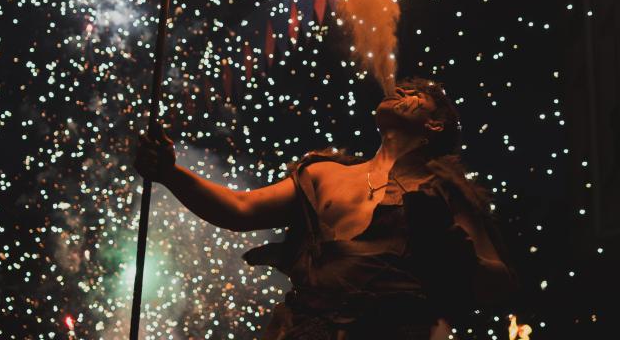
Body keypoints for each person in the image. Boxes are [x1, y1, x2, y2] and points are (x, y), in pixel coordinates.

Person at [135, 77, 518, 339]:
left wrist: (448, 242)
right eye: (403, 86)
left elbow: (498, 285)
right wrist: (171, 174)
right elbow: (241, 208)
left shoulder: (445, 192)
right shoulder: (325, 174)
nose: (401, 88)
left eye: (418, 95)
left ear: (435, 125)